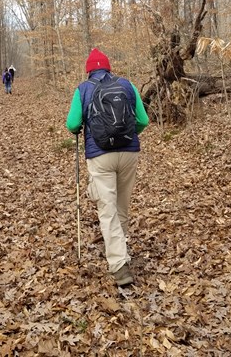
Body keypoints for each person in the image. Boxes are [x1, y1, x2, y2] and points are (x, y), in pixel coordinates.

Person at [65, 48, 149, 286]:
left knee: (107, 209)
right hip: (129, 152)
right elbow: (143, 120)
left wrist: (78, 129)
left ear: (89, 70)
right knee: (121, 206)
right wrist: (130, 135)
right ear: (109, 68)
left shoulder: (83, 89)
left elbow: (72, 123)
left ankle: (119, 265)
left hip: (100, 155)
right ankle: (120, 251)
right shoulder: (127, 86)